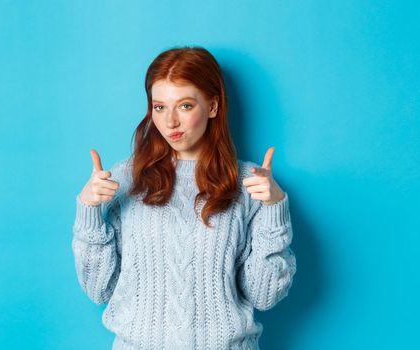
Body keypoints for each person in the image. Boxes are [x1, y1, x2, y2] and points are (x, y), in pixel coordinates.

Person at [72, 46, 296, 350]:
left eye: (186, 106)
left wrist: (274, 208)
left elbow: (264, 295)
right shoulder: (124, 180)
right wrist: (88, 212)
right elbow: (99, 289)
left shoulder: (250, 185)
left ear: (213, 106)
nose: (170, 122)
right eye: (160, 107)